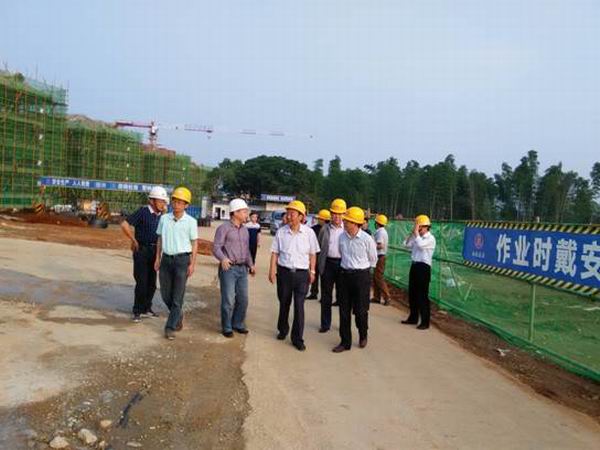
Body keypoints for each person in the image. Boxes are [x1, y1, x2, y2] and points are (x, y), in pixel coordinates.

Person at [269, 200, 319, 351]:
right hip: (284, 273)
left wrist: (312, 271)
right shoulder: (281, 232)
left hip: (302, 275)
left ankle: (297, 338)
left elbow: (313, 254)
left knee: (299, 306)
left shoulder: (309, 233)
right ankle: (283, 329)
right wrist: (272, 270)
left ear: (301, 216)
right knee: (284, 303)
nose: (289, 216)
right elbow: (275, 253)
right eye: (288, 213)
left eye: (292, 214)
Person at [154, 187, 198, 340]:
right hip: (166, 260)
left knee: (177, 296)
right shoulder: (164, 219)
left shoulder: (191, 222)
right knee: (166, 294)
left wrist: (192, 264)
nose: (177, 205)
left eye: (180, 202)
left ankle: (170, 327)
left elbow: (194, 243)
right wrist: (157, 258)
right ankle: (178, 315)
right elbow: (159, 239)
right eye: (175, 201)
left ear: (186, 205)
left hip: (182, 261)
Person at [121, 186, 169, 322]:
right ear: (152, 201)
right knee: (141, 282)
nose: (163, 204)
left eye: (164, 201)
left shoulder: (162, 216)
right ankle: (137, 310)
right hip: (142, 250)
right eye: (160, 201)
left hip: (155, 251)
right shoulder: (143, 212)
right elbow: (124, 224)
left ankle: (146, 308)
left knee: (152, 284)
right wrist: (133, 240)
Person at [332, 207, 378, 353]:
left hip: (361, 277)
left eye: (348, 221)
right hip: (344, 276)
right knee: (344, 310)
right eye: (345, 220)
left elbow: (373, 259)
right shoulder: (342, 237)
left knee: (361, 311)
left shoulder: (367, 239)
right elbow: (341, 254)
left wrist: (364, 274)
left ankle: (363, 334)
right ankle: (345, 342)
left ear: (356, 223)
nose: (345, 222)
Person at [213, 199, 256, 338]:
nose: (246, 214)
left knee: (243, 299)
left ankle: (238, 323)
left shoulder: (245, 230)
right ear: (235, 213)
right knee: (228, 299)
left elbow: (247, 250)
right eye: (244, 212)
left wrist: (251, 264)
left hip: (242, 269)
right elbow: (216, 247)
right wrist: (223, 259)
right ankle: (227, 327)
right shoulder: (223, 228)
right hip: (229, 269)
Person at [402, 215, 436, 330]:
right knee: (412, 293)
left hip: (423, 268)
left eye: (419, 227)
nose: (417, 229)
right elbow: (406, 245)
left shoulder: (430, 239)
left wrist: (416, 234)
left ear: (426, 227)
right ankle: (413, 317)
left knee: (422, 295)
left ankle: (425, 322)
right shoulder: (417, 237)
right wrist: (412, 234)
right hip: (415, 266)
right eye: (417, 227)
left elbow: (421, 245)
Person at [317, 198, 346, 332]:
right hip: (328, 264)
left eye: (339, 214)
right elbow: (319, 247)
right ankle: (325, 324)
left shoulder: (347, 229)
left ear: (344, 215)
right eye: (334, 213)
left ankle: (343, 325)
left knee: (343, 297)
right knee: (326, 296)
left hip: (343, 265)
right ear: (331, 214)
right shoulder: (324, 229)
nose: (337, 217)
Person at [306, 209, 331, 300]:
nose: (318, 220)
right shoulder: (313, 229)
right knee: (314, 274)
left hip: (324, 256)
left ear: (324, 220)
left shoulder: (329, 230)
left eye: (320, 219)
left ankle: (324, 296)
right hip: (315, 255)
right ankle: (314, 292)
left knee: (325, 278)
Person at [371, 214, 391, 306]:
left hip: (380, 256)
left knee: (379, 277)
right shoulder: (382, 231)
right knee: (376, 277)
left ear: (377, 223)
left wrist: (372, 246)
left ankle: (387, 297)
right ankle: (377, 297)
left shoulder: (380, 232)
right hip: (379, 257)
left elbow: (381, 245)